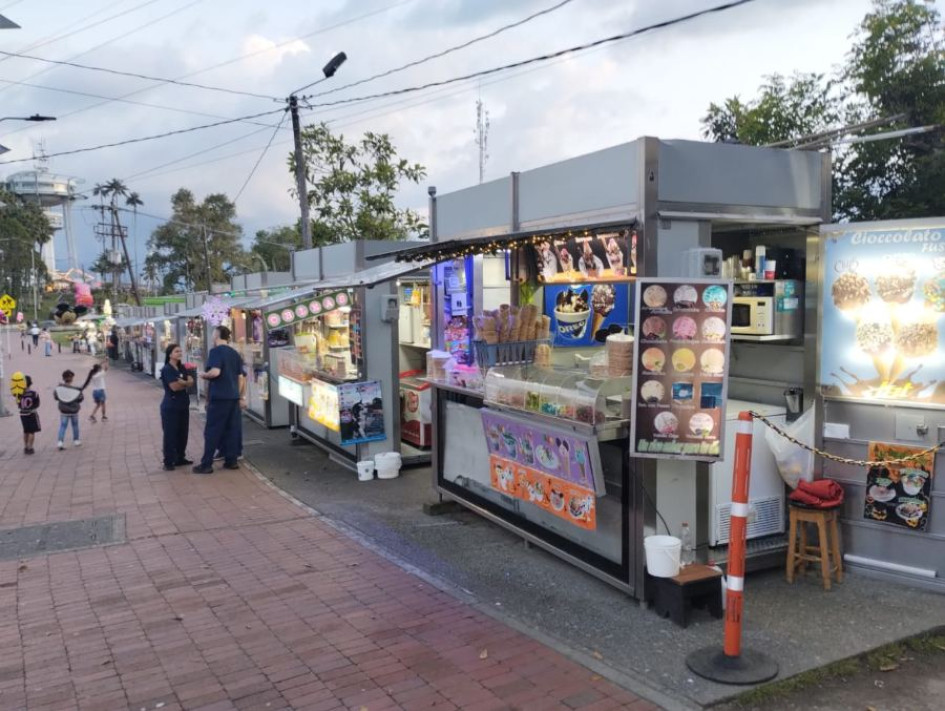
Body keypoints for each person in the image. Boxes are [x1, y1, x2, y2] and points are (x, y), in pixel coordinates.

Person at [193, 326, 244, 474]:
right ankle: (231, 461)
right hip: (233, 396)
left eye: (213, 333)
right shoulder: (235, 353)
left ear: (216, 335)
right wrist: (240, 396)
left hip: (220, 397)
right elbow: (241, 377)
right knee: (231, 429)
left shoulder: (215, 352)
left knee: (212, 430)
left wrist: (203, 375)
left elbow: (215, 372)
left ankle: (206, 464)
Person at [160, 344, 194, 471]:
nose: (180, 353)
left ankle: (180, 457)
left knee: (183, 433)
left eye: (180, 351)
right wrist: (186, 383)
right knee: (170, 434)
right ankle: (168, 461)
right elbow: (174, 387)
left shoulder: (182, 367)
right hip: (171, 407)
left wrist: (184, 382)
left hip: (183, 405)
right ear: (170, 354)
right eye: (176, 351)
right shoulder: (167, 369)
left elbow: (191, 380)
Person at [54, 366, 98, 449]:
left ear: (63, 378)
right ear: (71, 378)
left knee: (63, 426)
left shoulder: (58, 388)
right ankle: (76, 440)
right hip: (74, 411)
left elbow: (56, 397)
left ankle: (60, 442)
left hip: (64, 411)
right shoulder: (76, 389)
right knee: (75, 425)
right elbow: (80, 398)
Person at [17, 375, 40, 455]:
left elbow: (18, 404)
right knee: (31, 432)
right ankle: (30, 447)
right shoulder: (34, 393)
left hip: (23, 414)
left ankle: (25, 447)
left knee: (26, 431)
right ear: (30, 383)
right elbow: (37, 404)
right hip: (31, 413)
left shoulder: (19, 394)